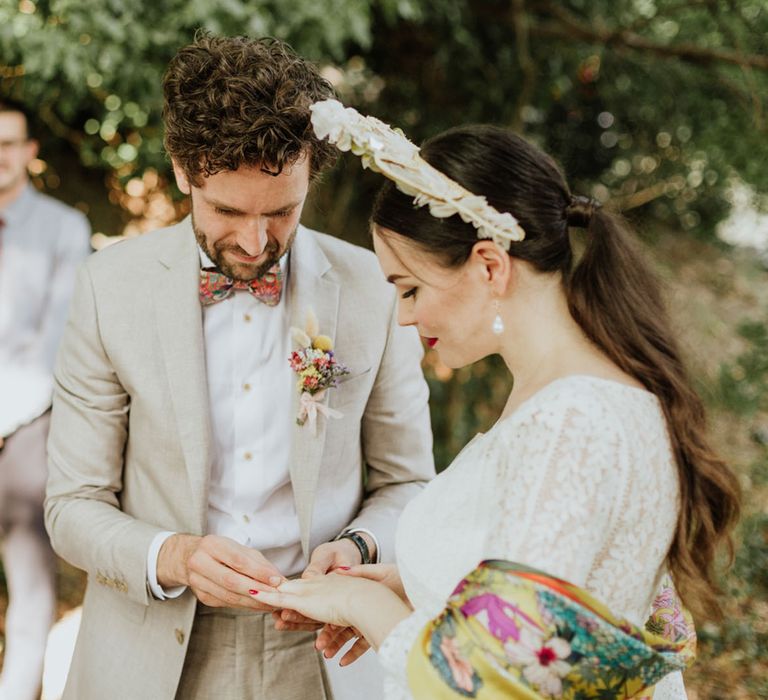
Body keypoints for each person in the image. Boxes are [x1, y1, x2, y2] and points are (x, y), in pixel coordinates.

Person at [253, 100, 741, 699]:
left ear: (488, 266)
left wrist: (356, 599)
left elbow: (499, 679)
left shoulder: (572, 423)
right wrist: (413, 587)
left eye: (409, 289)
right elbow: (567, 603)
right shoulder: (569, 398)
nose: (403, 318)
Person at [44, 36, 434, 700]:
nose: (256, 244)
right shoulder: (110, 288)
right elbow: (72, 505)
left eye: (281, 212)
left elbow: (407, 483)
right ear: (181, 170)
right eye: (227, 211)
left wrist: (362, 549)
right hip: (152, 652)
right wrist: (174, 556)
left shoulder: (372, 289)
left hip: (324, 654)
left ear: (311, 175)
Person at [0, 98, 91, 700]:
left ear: (30, 151)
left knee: (31, 588)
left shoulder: (64, 228)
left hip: (28, 422)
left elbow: (55, 340)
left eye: (8, 143)